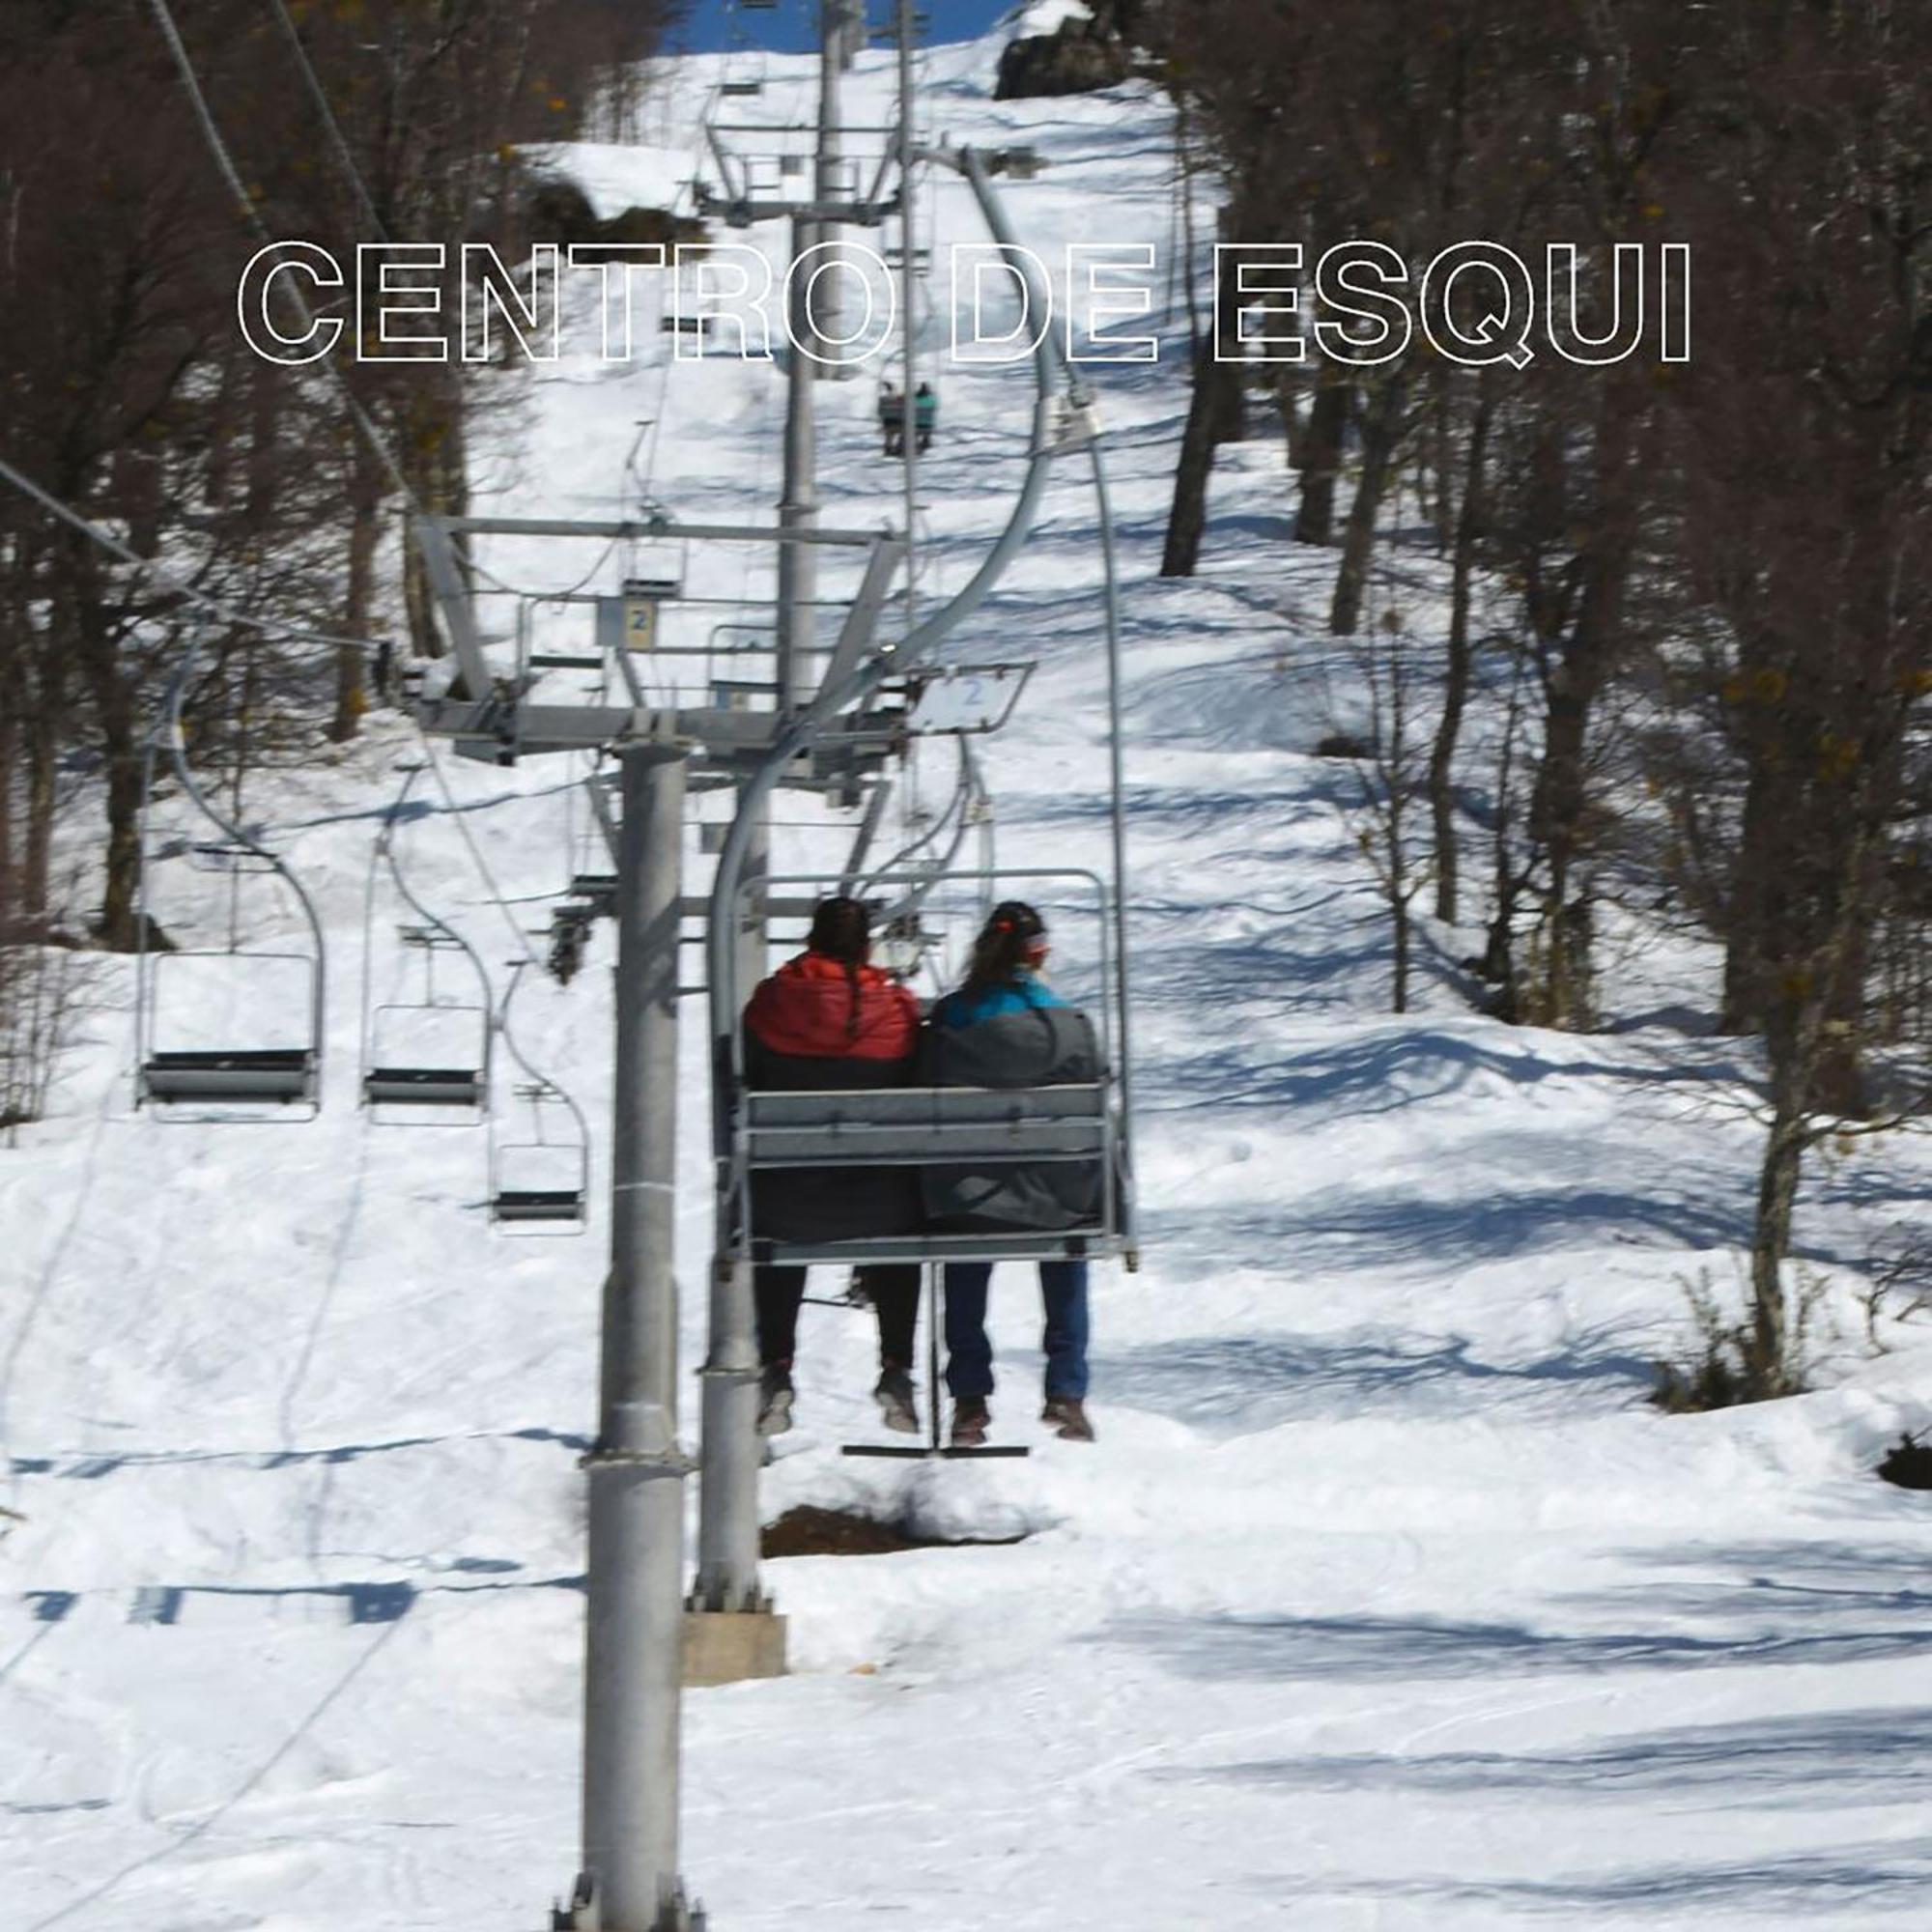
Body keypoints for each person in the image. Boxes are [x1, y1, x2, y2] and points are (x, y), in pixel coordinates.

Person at [742, 896, 923, 1435]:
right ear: (867, 947)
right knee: (895, 1219)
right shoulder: (895, 1010)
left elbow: (747, 1071)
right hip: (881, 1207)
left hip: (784, 1202)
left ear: (810, 942)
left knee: (781, 1212)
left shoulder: (771, 1004)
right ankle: (895, 1365)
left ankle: (776, 1365)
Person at [924, 901, 1103, 1446]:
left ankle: (970, 1399)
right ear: (1040, 954)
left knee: (966, 1251)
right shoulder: (1070, 1025)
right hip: (1057, 1196)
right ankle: (1066, 1391)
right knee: (1066, 1249)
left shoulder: (951, 1019)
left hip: (971, 1194)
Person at [878, 380, 905, 458]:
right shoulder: (899, 398)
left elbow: (880, 412)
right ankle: (901, 446)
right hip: (899, 424)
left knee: (889, 433)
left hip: (887, 424)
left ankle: (888, 447)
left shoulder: (882, 399)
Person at [913, 382, 938, 454]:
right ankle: (926, 440)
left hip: (917, 424)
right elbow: (935, 407)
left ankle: (917, 442)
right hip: (928, 424)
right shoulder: (931, 400)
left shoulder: (916, 399)